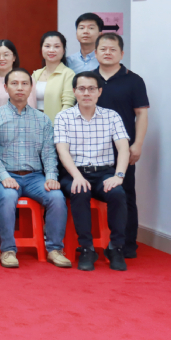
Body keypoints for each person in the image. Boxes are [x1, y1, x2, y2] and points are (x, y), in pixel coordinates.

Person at [0, 68, 71, 269]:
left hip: (35, 177)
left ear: (31, 88)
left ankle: (54, 249)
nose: (20, 88)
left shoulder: (42, 119)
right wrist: (3, 176)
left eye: (24, 83)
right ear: (5, 87)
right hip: (4, 176)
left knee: (57, 197)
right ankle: (8, 250)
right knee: (8, 196)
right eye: (14, 83)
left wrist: (51, 176)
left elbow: (49, 153)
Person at [54, 72, 131, 271]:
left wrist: (119, 176)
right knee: (80, 191)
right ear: (74, 91)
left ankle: (115, 247)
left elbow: (123, 148)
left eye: (91, 89)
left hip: (104, 172)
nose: (86, 93)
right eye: (81, 89)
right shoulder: (63, 117)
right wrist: (77, 176)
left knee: (117, 193)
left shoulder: (112, 116)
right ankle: (86, 248)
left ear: (99, 92)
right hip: (74, 172)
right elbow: (62, 151)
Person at [92, 33, 149, 259]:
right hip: (92, 149)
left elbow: (141, 114)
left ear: (121, 53)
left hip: (123, 149)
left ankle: (127, 244)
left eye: (112, 49)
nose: (107, 52)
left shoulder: (134, 80)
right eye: (103, 49)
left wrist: (138, 144)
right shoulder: (88, 79)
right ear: (95, 53)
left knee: (126, 194)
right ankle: (91, 241)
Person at [32, 31, 76, 122]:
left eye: (57, 46)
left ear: (63, 50)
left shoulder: (68, 74)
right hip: (34, 124)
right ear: (42, 49)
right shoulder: (36, 74)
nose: (51, 50)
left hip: (56, 125)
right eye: (47, 46)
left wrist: (59, 125)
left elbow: (68, 104)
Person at [0, 40, 37, 109]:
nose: (1, 58)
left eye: (6, 55)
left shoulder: (26, 79)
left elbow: (31, 107)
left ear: (14, 57)